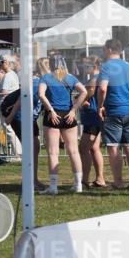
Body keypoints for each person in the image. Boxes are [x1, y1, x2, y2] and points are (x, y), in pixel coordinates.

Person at [97, 39, 129, 190]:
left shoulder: (106, 67)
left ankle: (118, 181)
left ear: (110, 49)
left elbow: (103, 89)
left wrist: (100, 106)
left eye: (104, 49)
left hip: (113, 110)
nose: (103, 51)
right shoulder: (127, 65)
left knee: (113, 147)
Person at [36, 57, 88, 194]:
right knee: (74, 151)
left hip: (53, 115)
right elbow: (84, 92)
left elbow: (41, 95)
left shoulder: (46, 77)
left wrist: (51, 110)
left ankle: (53, 187)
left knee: (53, 153)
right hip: (68, 115)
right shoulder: (70, 77)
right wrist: (73, 110)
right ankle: (78, 185)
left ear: (51, 65)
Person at [2, 72, 44, 190]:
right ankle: (29, 181)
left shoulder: (50, 83)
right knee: (29, 148)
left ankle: (34, 179)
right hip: (19, 116)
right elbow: (21, 98)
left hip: (30, 116)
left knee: (35, 146)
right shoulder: (36, 84)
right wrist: (10, 116)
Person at [78, 63, 107, 189]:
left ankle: (84, 180)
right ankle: (100, 179)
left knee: (83, 149)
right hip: (95, 117)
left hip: (92, 118)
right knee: (95, 149)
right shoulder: (100, 78)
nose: (84, 66)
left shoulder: (94, 79)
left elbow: (85, 95)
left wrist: (78, 101)